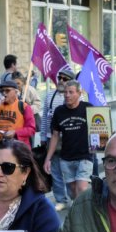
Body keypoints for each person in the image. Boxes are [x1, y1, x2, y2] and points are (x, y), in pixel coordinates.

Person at [46, 81, 93, 202]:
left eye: (71, 92)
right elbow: (55, 136)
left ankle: (80, 216)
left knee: (81, 188)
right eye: (65, 92)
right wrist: (48, 158)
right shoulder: (59, 111)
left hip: (84, 156)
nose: (67, 95)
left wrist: (104, 143)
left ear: (79, 93)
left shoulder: (88, 108)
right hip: (66, 158)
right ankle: (81, 207)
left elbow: (99, 129)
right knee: (73, 192)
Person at [39, 66, 76, 205]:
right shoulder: (50, 95)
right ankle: (61, 199)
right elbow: (44, 118)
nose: (61, 80)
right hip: (51, 138)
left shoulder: (76, 96)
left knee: (69, 170)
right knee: (55, 170)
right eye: (59, 78)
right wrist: (43, 137)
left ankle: (74, 199)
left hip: (69, 139)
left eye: (65, 79)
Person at [0, 77, 37, 149]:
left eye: (7, 91)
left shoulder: (24, 107)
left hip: (17, 149)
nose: (4, 93)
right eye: (2, 91)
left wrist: (15, 132)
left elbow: (31, 129)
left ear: (16, 92)